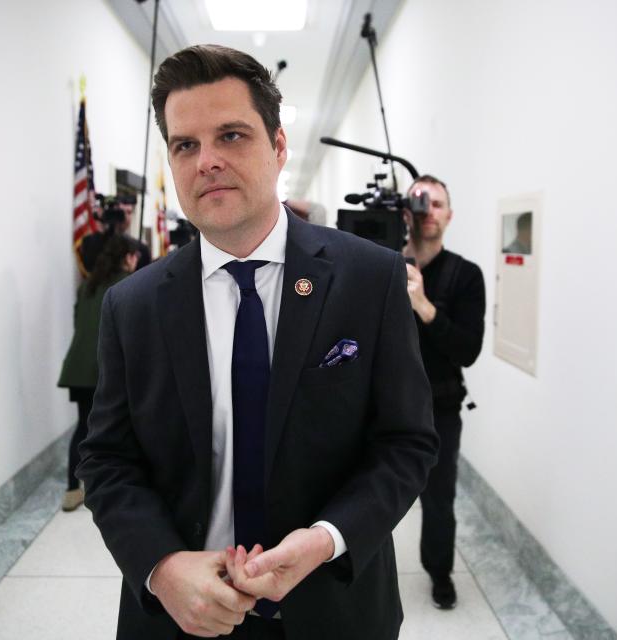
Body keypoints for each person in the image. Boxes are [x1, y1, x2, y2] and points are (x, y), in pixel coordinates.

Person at [77, 44, 438, 640]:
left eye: (232, 136)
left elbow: (406, 442)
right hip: (182, 615)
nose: (207, 162)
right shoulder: (132, 305)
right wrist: (162, 568)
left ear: (277, 148)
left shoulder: (368, 279)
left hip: (332, 604)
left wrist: (328, 539)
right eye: (185, 145)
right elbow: (108, 459)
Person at [402, 175, 486, 609]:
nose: (428, 211)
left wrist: (423, 306)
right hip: (384, 406)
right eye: (420, 203)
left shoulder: (466, 276)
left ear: (449, 215)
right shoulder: (382, 268)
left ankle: (439, 574)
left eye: (437, 204)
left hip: (440, 407)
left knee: (438, 499)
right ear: (405, 213)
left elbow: (468, 350)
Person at [57, 234, 143, 511]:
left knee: (83, 427)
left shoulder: (88, 285)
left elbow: (77, 322)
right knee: (116, 431)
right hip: (104, 370)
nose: (136, 261)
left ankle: (72, 490)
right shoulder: (127, 286)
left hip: (77, 369)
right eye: (134, 256)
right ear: (126, 257)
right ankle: (110, 489)